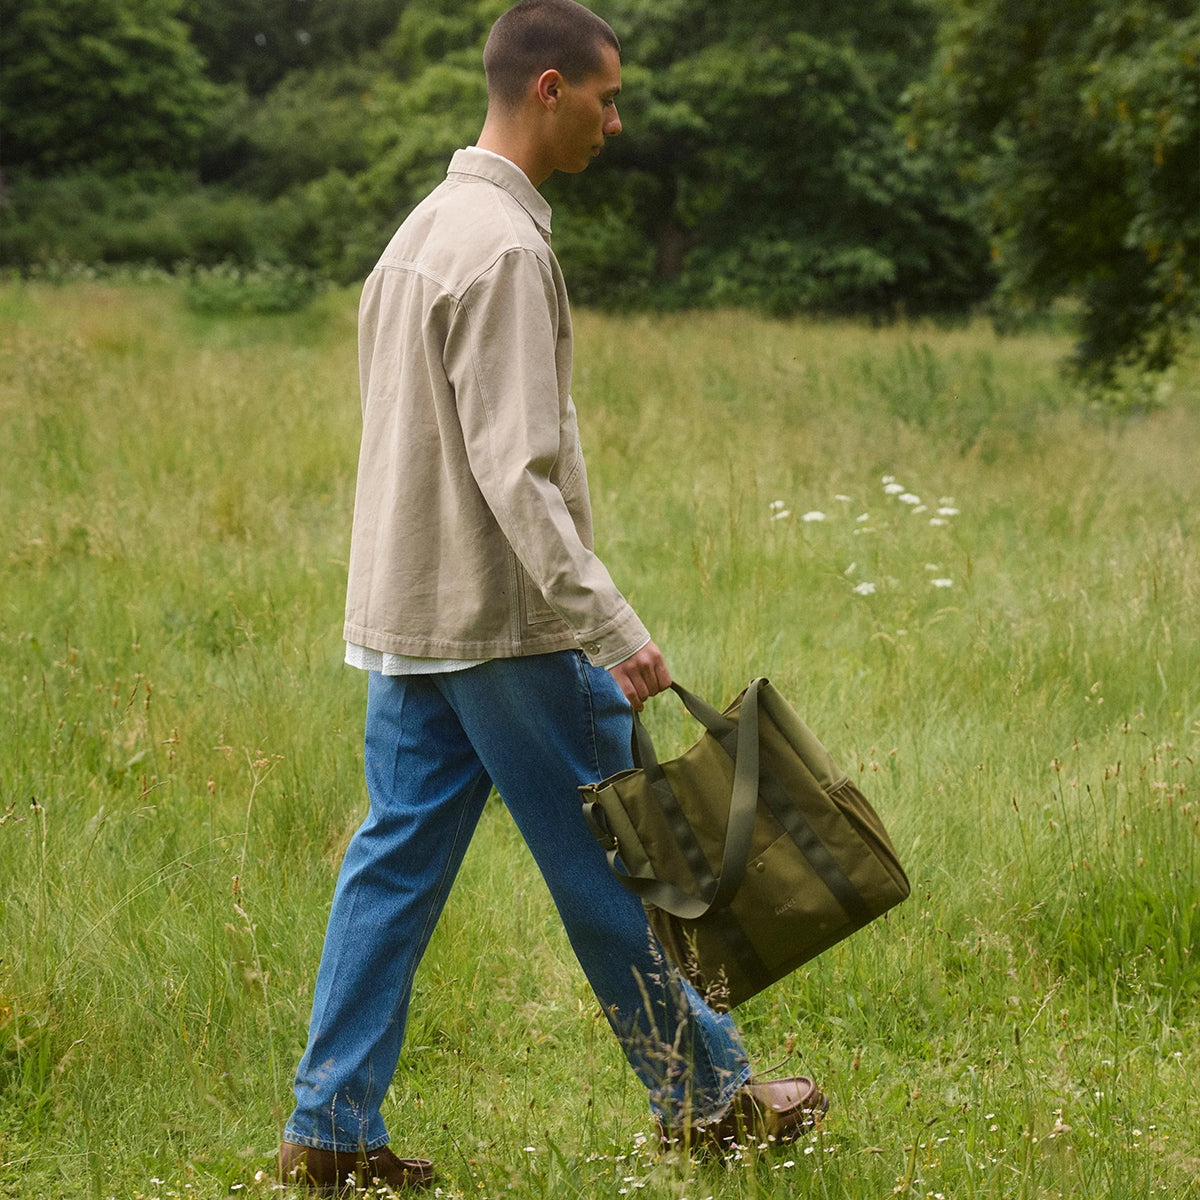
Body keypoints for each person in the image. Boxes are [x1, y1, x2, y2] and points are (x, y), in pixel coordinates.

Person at [277, 0, 826, 1190]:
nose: (615, 121)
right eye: (604, 96)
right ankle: (711, 1102)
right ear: (546, 92)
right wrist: (611, 627)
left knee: (392, 866)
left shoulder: (422, 230)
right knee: (620, 863)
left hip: (416, 621)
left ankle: (328, 1132)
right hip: (511, 624)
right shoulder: (509, 248)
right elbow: (515, 476)